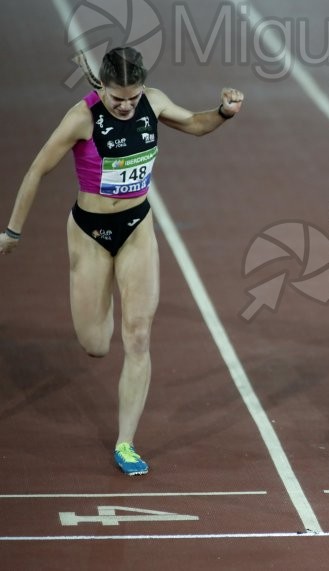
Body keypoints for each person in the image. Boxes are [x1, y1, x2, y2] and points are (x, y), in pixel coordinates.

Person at [0, 47, 244, 474]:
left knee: (138, 335)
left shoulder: (154, 101)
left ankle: (126, 443)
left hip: (137, 229)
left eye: (132, 97)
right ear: (103, 88)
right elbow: (37, 170)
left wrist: (222, 112)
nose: (126, 106)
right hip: (90, 234)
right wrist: (13, 231)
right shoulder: (82, 117)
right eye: (117, 99)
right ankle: (100, 295)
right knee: (96, 345)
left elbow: (195, 124)